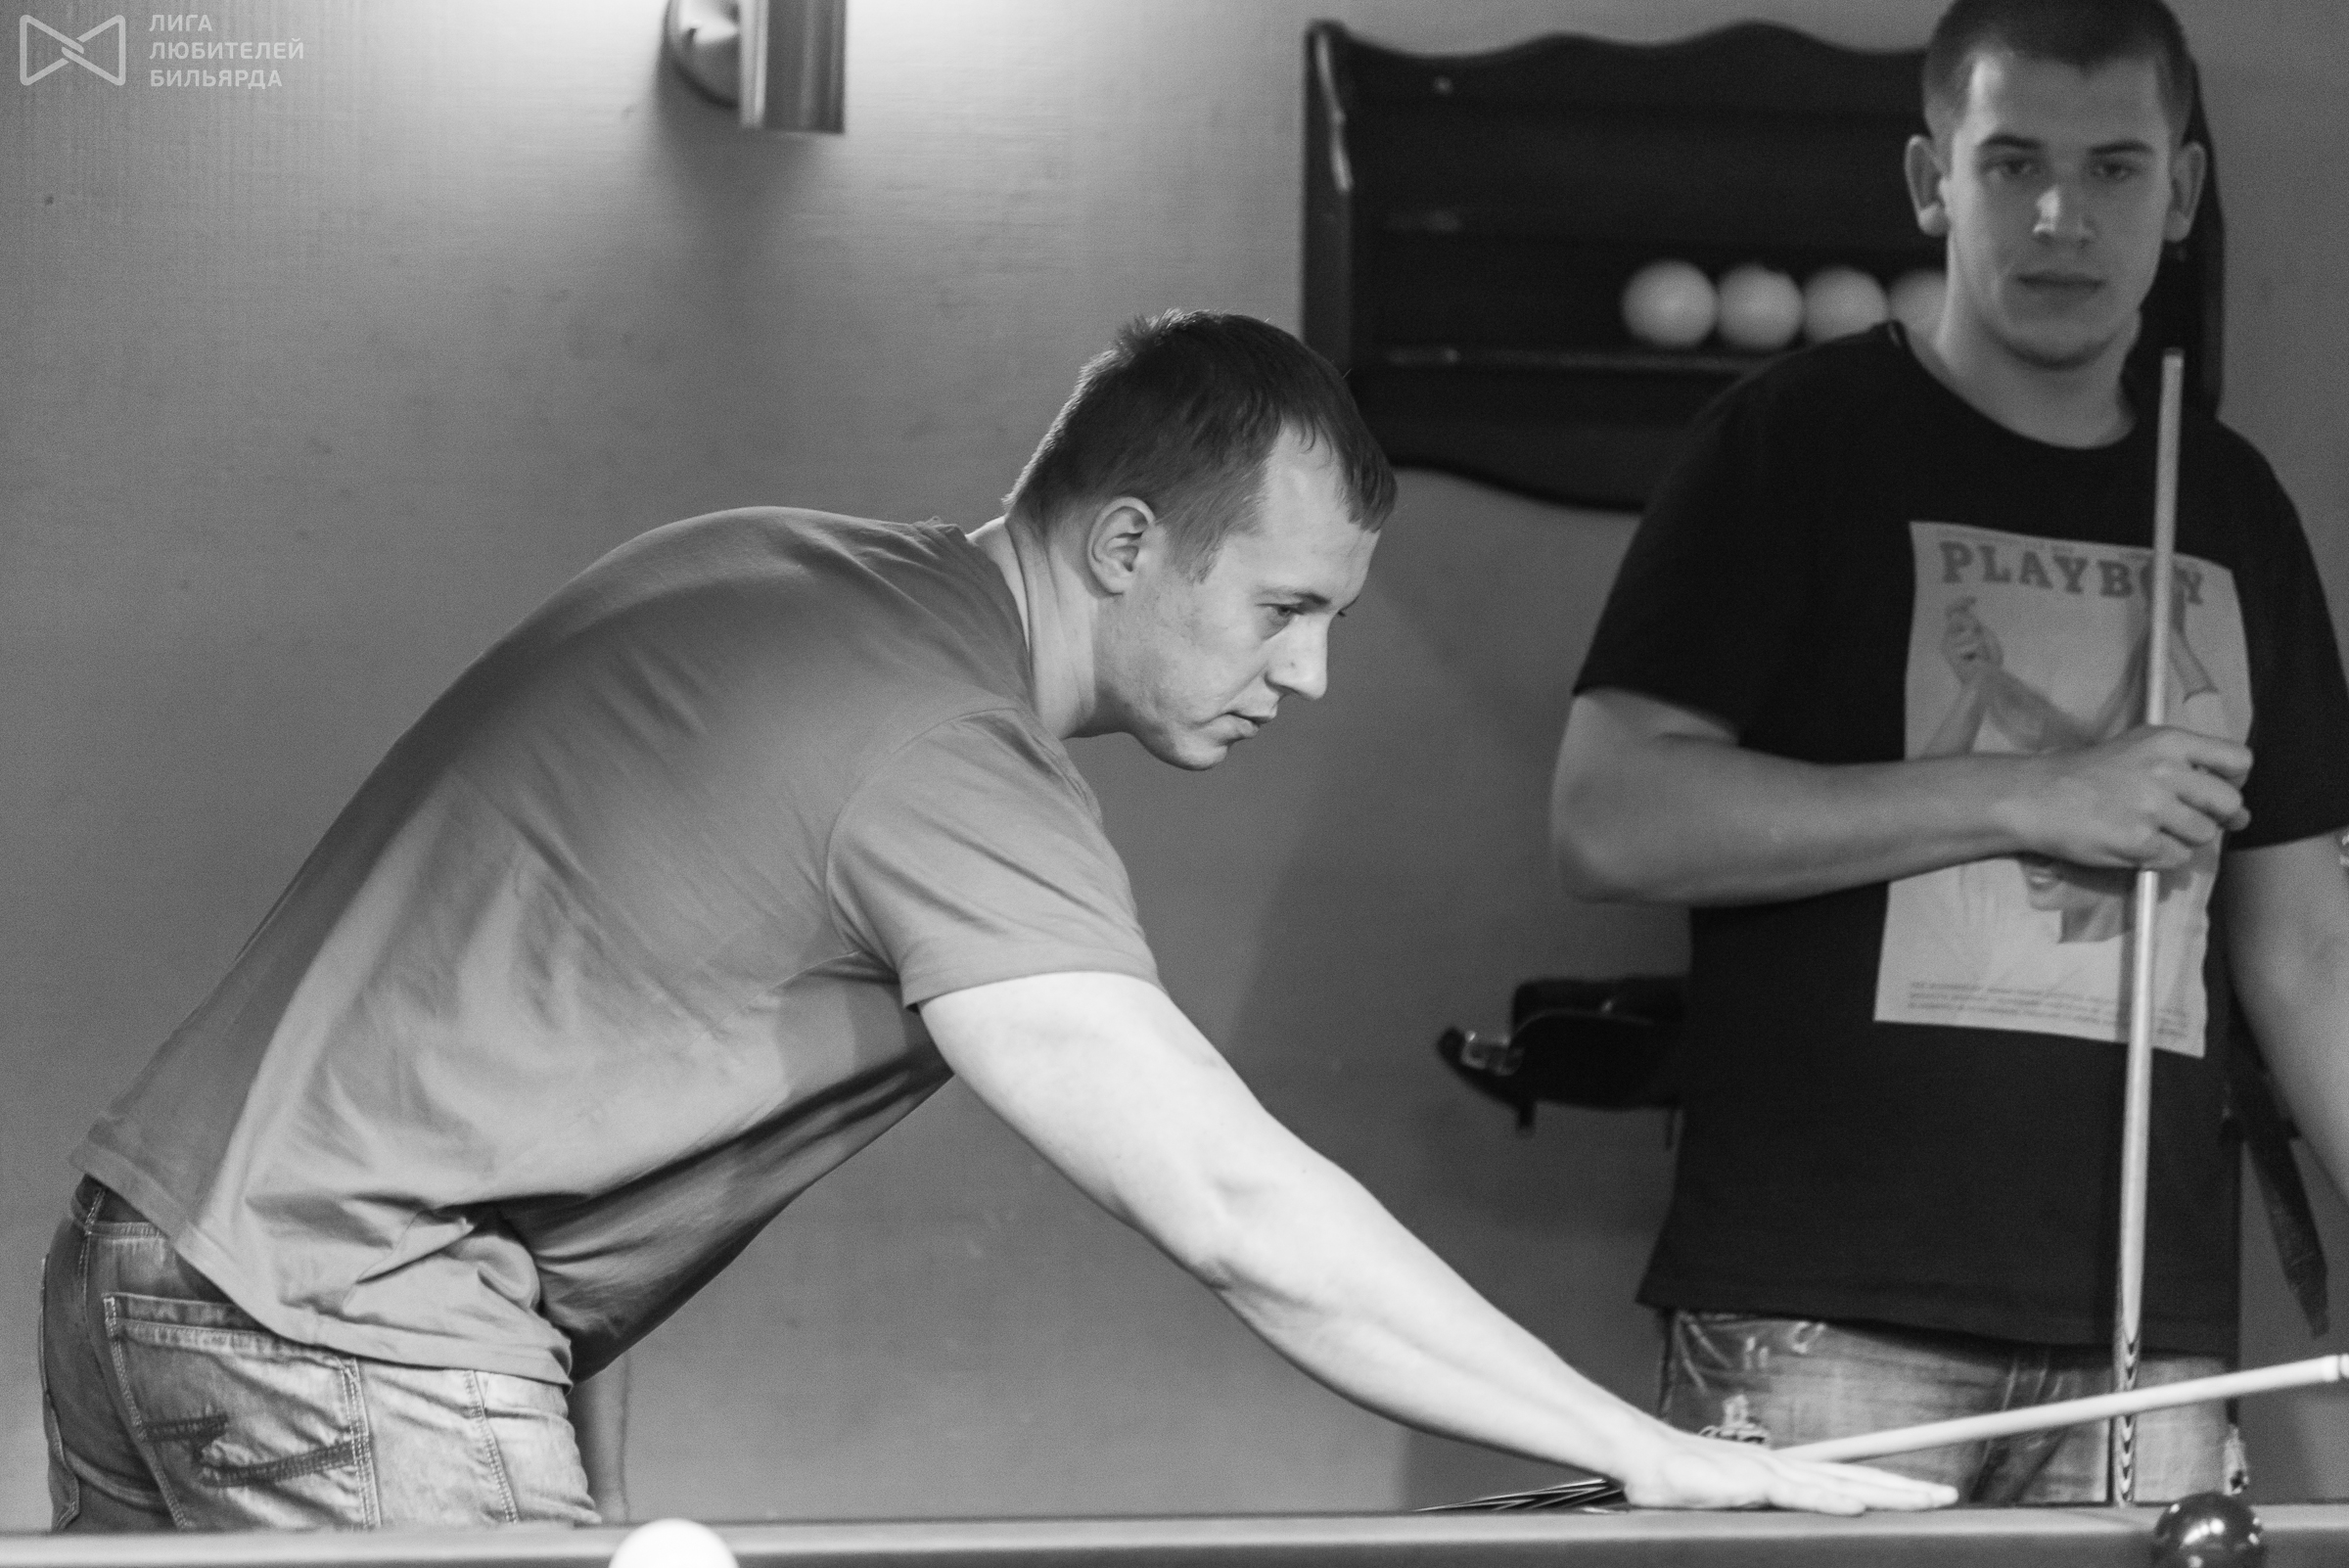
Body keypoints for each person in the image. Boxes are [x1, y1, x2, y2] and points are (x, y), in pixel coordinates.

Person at [39, 311, 1952, 1533]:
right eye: (1286, 608)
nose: (1307, 676)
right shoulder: (946, 754)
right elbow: (1234, 1206)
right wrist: (1649, 1446)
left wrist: (567, 1465)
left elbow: (548, 1035)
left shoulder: (776, 571)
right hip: (340, 1348)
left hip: (146, 1273)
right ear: (1126, 543)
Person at [1551, 0, 2349, 1504]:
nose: (2061, 215)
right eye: (2012, 162)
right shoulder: (1793, 441)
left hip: (2147, 1326)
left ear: (2180, 193)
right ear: (1934, 181)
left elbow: (2307, 947)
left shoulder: (2233, 504)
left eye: (2114, 167)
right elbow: (1607, 812)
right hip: (1822, 1305)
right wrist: (2035, 793)